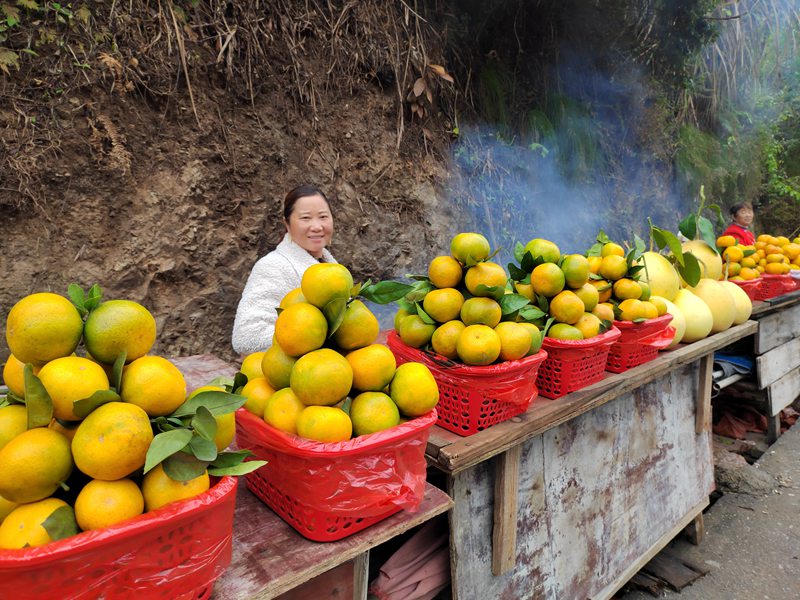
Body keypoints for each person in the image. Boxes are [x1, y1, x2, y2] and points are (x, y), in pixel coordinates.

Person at [231, 185, 337, 355]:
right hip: (291, 376)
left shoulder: (329, 267)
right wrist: (308, 340)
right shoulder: (273, 267)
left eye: (323, 217)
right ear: (287, 224)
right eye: (305, 218)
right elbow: (246, 336)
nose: (317, 226)